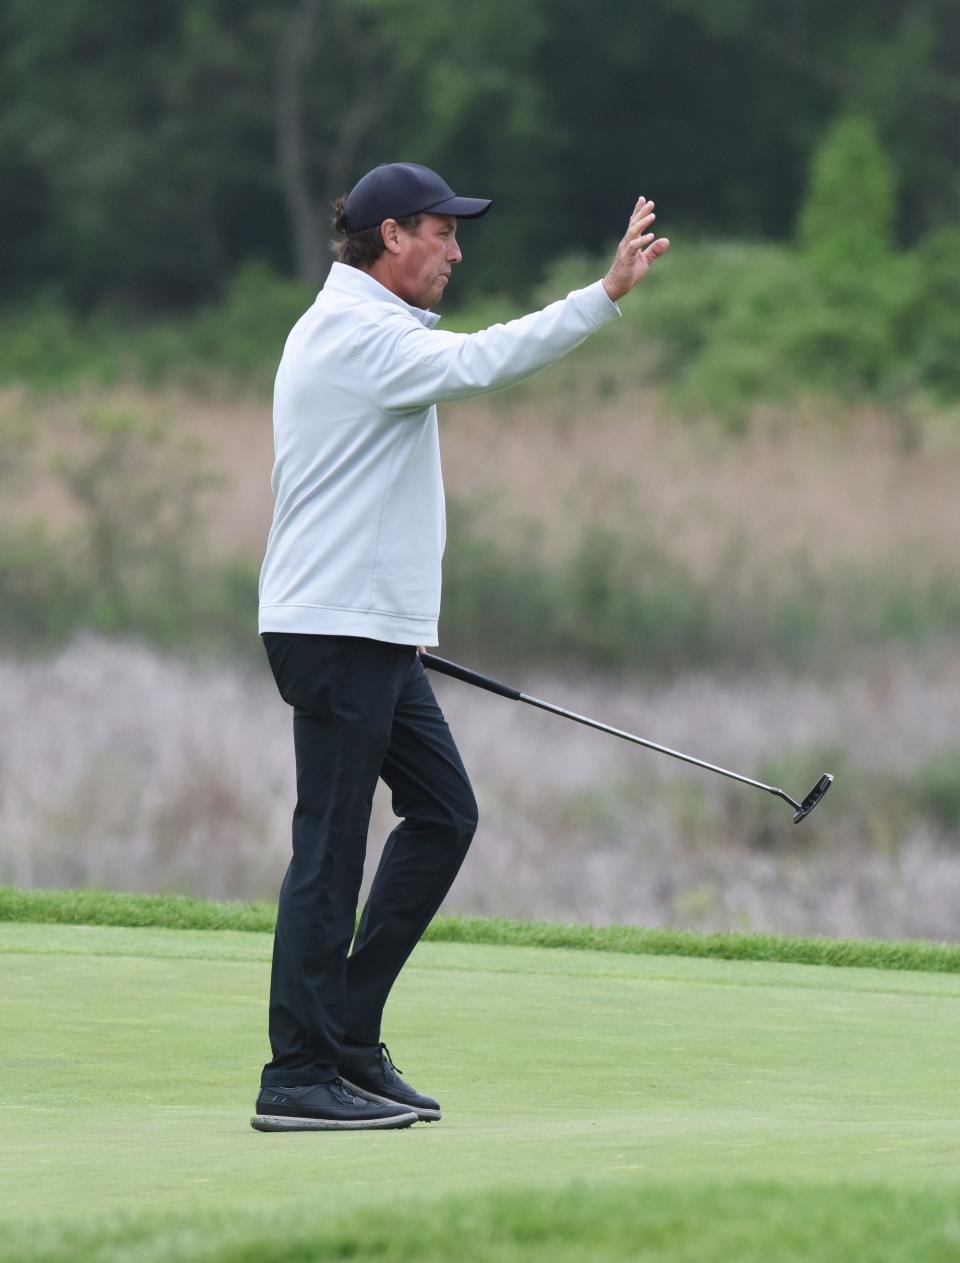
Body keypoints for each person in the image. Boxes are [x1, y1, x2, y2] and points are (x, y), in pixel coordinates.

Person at [252, 162, 669, 1132]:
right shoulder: (356, 335)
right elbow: (482, 363)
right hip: (337, 628)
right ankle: (297, 1074)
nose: (457, 250)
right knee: (329, 846)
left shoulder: (374, 330)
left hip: (368, 631)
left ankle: (347, 1034)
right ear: (391, 236)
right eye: (443, 232)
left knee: (443, 814)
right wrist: (601, 299)